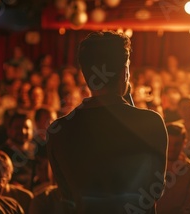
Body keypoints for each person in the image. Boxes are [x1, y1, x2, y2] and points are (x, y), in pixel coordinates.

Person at [46, 31, 168, 213]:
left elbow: (66, 194)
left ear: (86, 74)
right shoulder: (151, 122)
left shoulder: (58, 130)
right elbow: (155, 188)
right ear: (125, 73)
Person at [156, 123, 190, 214]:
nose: (172, 148)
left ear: (184, 143)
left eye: (177, 144)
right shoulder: (152, 167)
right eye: (169, 143)